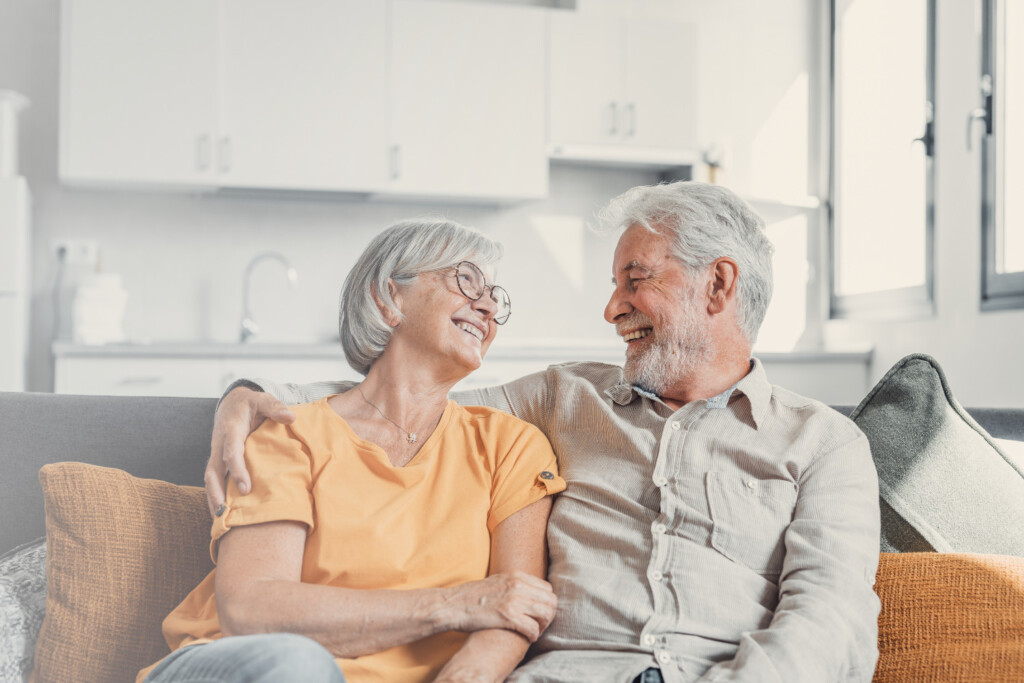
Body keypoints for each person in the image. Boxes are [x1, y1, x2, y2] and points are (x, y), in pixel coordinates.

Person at [208, 181, 882, 683]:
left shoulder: (823, 445)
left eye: (635, 280)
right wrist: (253, 393)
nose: (612, 306)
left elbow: (828, 618)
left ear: (718, 285)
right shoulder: (562, 397)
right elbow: (402, 395)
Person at [139, 219, 566, 683]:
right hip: (244, 666)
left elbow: (515, 611)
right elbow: (251, 609)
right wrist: (456, 603)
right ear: (389, 299)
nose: (486, 306)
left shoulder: (512, 447)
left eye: (494, 297)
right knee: (299, 667)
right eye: (466, 280)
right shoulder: (292, 436)